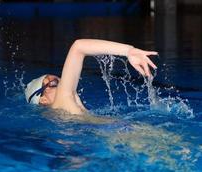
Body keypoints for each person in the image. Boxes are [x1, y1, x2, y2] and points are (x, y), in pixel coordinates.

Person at [25, 39, 158, 115]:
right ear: (43, 100)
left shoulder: (64, 113)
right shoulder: (63, 101)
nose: (62, 81)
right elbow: (78, 46)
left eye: (59, 79)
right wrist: (128, 50)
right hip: (120, 135)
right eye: (53, 83)